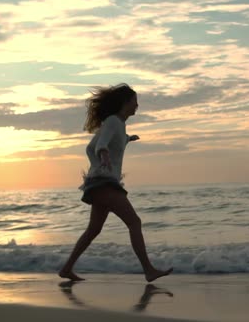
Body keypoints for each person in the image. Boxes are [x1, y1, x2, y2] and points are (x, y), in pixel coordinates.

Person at [58, 83, 173, 282]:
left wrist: (128, 139)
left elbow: (96, 145)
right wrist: (103, 157)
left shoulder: (117, 124)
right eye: (134, 101)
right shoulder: (112, 121)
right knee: (134, 222)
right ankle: (148, 270)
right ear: (125, 103)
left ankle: (67, 268)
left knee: (94, 229)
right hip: (105, 183)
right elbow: (100, 146)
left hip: (99, 183)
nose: (137, 105)